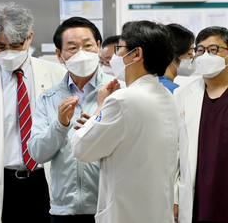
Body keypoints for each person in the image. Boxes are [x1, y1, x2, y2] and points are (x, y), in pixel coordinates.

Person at [71, 20, 178, 223]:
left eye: (120, 49)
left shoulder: (122, 100)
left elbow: (81, 149)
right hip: (157, 212)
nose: (116, 56)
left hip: (125, 215)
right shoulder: (166, 95)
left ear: (136, 54)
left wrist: (101, 106)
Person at [0, 2, 67, 223]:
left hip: (44, 180)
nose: (8, 53)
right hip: (3, 181)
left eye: (15, 45)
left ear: (30, 37)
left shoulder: (57, 74)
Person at [27, 16, 124, 223]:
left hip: (108, 208)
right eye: (72, 48)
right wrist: (60, 125)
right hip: (63, 211)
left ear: (98, 47)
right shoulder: (49, 98)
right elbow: (37, 153)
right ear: (59, 55)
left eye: (87, 45)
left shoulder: (118, 90)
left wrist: (99, 125)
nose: (81, 53)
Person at [174, 26, 228, 223]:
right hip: (197, 197)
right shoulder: (182, 94)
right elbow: (175, 150)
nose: (205, 55)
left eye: (214, 49)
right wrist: (174, 197)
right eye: (200, 50)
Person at [159, 23, 195, 93]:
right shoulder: (174, 90)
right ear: (171, 54)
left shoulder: (150, 82)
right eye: (189, 53)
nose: (192, 56)